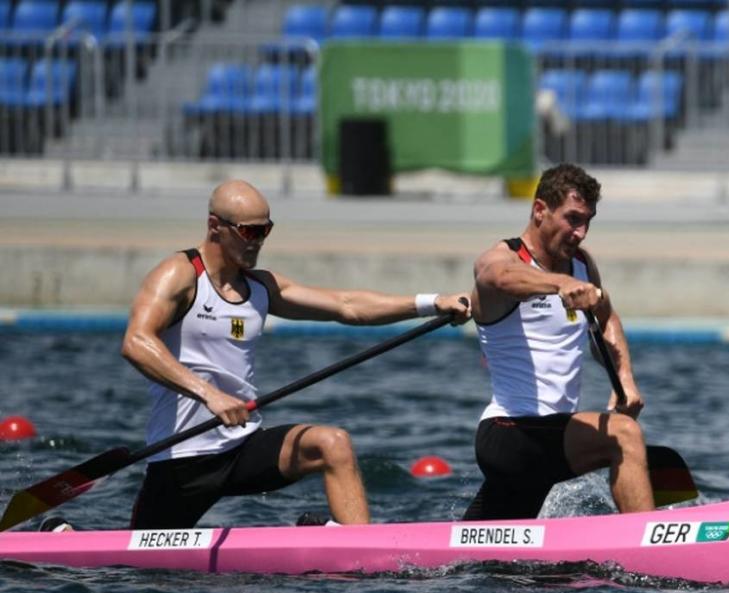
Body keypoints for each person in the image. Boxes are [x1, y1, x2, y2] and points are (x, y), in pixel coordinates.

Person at [121, 179, 470, 530]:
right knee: (138, 564)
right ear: (215, 227)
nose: (258, 240)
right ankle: (65, 532)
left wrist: (431, 303)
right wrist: (208, 393)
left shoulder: (260, 286)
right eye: (248, 231)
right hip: (184, 458)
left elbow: (346, 306)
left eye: (265, 230)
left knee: (332, 444)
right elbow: (136, 341)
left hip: (242, 446)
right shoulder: (180, 274)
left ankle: (359, 549)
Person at [464, 163, 653, 520]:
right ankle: (651, 545)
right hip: (509, 434)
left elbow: (606, 315)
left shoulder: (581, 265)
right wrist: (557, 284)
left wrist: (624, 378)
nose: (581, 233)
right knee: (623, 434)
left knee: (491, 553)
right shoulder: (506, 258)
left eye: (588, 222)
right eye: (573, 219)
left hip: (550, 437)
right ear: (540, 210)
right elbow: (493, 274)